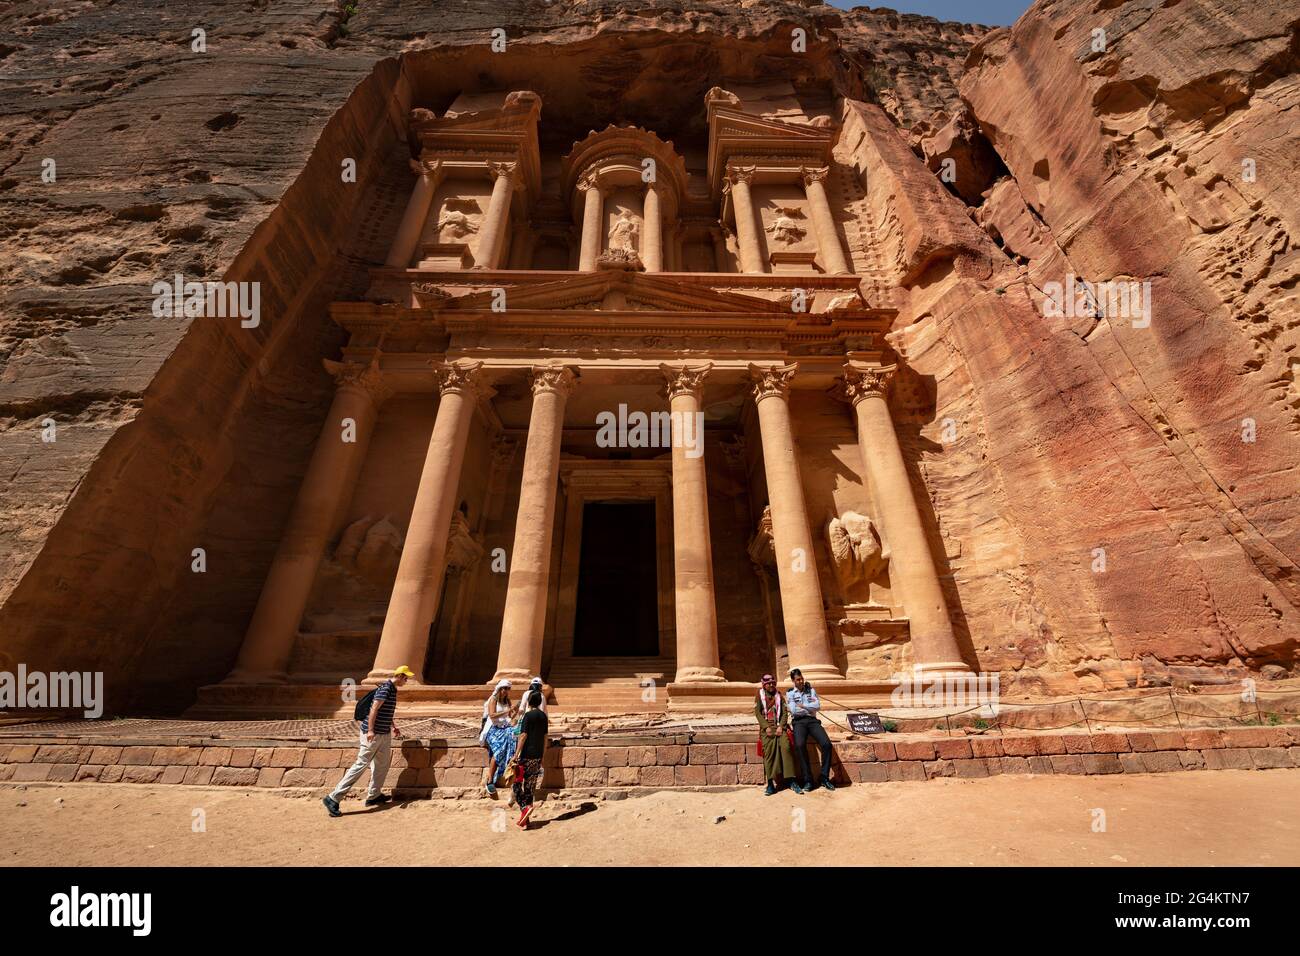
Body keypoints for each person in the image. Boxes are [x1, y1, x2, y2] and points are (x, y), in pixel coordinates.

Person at [323, 665, 413, 817]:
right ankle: (333, 797)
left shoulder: (393, 689)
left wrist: (394, 727)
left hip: (384, 733)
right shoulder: (385, 689)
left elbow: (387, 711)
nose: (407, 680)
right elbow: (374, 709)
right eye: (405, 678)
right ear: (399, 676)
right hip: (373, 734)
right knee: (361, 765)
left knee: (382, 764)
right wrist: (370, 730)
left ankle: (374, 795)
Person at [787, 667, 836, 791]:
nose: (801, 681)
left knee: (826, 744)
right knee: (799, 745)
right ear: (793, 681)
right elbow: (793, 710)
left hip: (812, 721)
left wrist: (803, 706)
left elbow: (817, 706)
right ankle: (808, 780)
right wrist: (809, 708)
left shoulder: (811, 690)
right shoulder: (790, 693)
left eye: (802, 678)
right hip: (798, 722)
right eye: (798, 679)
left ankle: (824, 777)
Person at [754, 673, 801, 795]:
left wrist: (781, 726)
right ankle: (770, 783)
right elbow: (758, 713)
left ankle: (791, 780)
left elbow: (784, 713)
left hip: (780, 727)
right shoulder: (759, 696)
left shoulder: (779, 696)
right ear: (764, 685)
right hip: (767, 728)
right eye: (768, 683)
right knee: (768, 752)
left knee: (786, 748)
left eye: (773, 683)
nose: (771, 685)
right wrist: (765, 727)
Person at [507, 690, 548, 829]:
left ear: (529, 701)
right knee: (530, 787)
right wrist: (542, 756)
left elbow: (523, 735)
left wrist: (516, 754)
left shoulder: (527, 716)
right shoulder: (543, 716)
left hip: (525, 756)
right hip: (537, 756)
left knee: (517, 785)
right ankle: (526, 820)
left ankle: (524, 808)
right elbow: (545, 738)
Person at [479, 678, 518, 795]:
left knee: (514, 736)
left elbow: (510, 717)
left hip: (504, 727)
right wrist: (507, 712)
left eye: (508, 689)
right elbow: (492, 715)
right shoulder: (493, 699)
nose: (506, 691)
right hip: (492, 728)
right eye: (504, 688)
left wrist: (515, 711)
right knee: (498, 750)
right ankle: (490, 780)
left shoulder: (508, 701)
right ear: (500, 689)